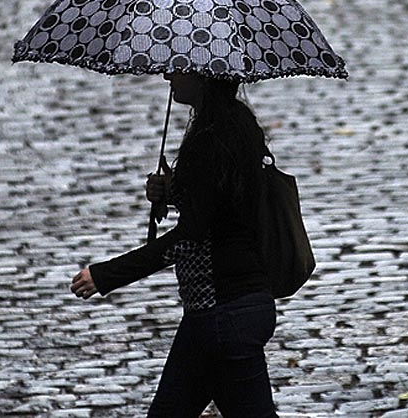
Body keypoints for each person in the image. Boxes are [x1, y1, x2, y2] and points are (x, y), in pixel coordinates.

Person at [71, 72, 279, 417]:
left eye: (179, 68)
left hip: (224, 316)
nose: (168, 74)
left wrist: (108, 275)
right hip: (220, 317)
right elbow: (222, 205)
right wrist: (172, 191)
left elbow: (191, 237)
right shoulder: (234, 125)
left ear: (203, 78)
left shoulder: (212, 141)